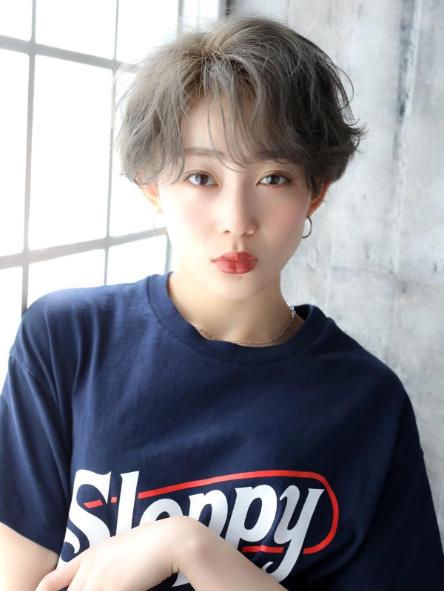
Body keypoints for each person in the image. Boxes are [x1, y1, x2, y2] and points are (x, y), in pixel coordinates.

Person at [1, 12, 443, 591]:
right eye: (201, 177)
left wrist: (190, 548)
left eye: (274, 177)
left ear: (316, 192)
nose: (237, 221)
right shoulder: (67, 341)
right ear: (152, 186)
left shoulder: (367, 402)